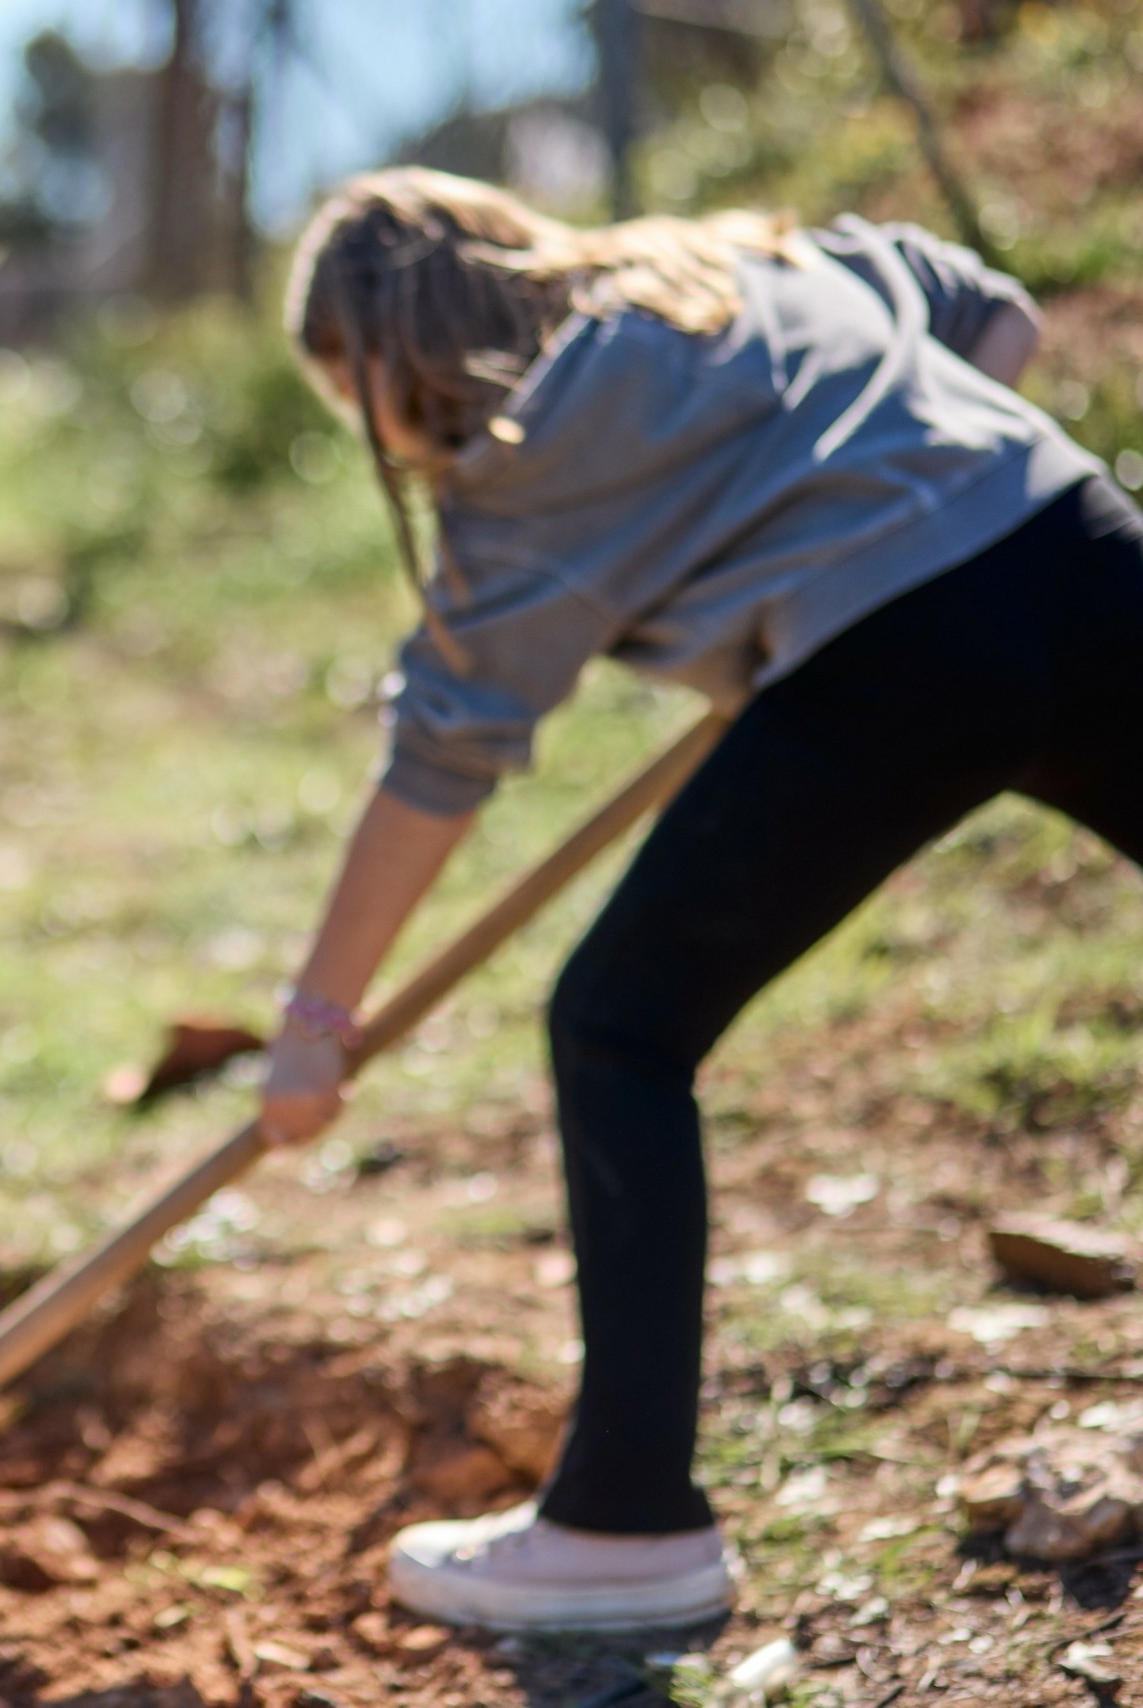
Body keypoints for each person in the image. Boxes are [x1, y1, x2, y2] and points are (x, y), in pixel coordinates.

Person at [253, 169, 1137, 1632]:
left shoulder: (519, 462)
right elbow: (993, 310)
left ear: (386, 361)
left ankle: (623, 1530)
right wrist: (885, 491)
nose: (376, 441)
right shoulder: (734, 266)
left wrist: (311, 1025)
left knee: (617, 1027)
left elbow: (439, 767)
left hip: (902, 658)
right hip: (1078, 543)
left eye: (353, 402)